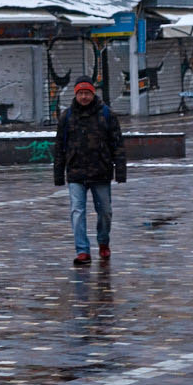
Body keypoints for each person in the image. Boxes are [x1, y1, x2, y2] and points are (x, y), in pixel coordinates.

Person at [53, 78, 127, 266]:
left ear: (93, 94)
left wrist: (120, 171)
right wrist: (59, 174)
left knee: (105, 211)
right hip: (76, 172)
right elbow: (59, 146)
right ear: (76, 94)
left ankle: (103, 241)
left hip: (100, 171)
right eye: (80, 93)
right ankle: (82, 251)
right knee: (77, 212)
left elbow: (117, 144)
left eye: (87, 93)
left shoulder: (106, 114)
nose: (84, 97)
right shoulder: (67, 116)